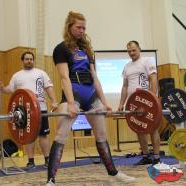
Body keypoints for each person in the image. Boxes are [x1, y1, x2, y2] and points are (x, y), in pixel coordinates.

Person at [46, 11, 135, 185]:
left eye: (84, 28)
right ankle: (50, 180)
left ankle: (113, 174)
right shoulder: (61, 48)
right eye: (78, 27)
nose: (82, 30)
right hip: (74, 92)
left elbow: (95, 77)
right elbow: (64, 78)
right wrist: (71, 104)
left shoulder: (87, 49)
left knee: (101, 134)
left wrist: (105, 103)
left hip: (91, 94)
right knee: (61, 135)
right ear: (69, 27)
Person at [0, 51, 58, 170]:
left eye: (31, 59)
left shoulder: (41, 73)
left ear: (33, 60)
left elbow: (48, 88)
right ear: (22, 61)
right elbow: (10, 89)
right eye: (26, 59)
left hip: (41, 109)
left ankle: (47, 160)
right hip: (25, 112)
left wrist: (54, 101)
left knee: (43, 135)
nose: (29, 61)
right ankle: (31, 161)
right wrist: (2, 88)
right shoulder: (17, 76)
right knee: (28, 136)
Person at [118, 40, 161, 165]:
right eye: (129, 51)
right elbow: (125, 86)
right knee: (139, 129)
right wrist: (121, 103)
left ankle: (157, 157)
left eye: (133, 50)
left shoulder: (147, 61)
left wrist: (152, 99)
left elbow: (153, 79)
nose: (131, 53)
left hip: (148, 102)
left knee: (153, 129)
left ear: (139, 49)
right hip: (134, 104)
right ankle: (146, 155)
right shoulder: (127, 66)